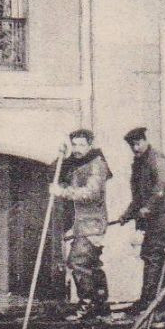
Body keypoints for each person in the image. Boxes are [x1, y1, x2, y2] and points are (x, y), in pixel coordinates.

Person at [115, 126, 165, 314]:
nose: (135, 148)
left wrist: (149, 207)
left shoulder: (156, 159)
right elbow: (138, 197)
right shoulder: (138, 163)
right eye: (132, 145)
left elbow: (163, 185)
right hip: (155, 215)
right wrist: (127, 214)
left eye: (137, 143)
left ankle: (148, 300)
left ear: (145, 141)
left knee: (152, 253)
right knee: (158, 254)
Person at [50, 128, 113, 318]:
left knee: (77, 262)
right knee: (91, 264)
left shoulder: (96, 164)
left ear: (90, 145)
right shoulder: (77, 163)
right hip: (83, 225)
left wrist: (63, 192)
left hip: (92, 225)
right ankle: (100, 305)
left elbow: (90, 193)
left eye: (81, 144)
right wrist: (61, 156)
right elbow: (54, 173)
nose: (77, 148)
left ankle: (87, 305)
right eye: (74, 144)